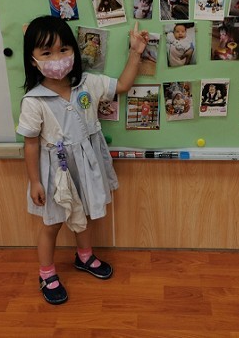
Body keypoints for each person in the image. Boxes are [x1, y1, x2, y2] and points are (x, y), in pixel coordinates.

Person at [17, 15, 149, 305]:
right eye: (47, 53)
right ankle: (46, 273)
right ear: (33, 60)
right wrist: (35, 182)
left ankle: (84, 257)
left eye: (63, 49)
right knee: (52, 223)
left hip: (86, 166)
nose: (57, 59)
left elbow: (122, 85)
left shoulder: (88, 83)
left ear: (74, 51)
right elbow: (30, 144)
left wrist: (135, 52)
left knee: (86, 211)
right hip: (56, 173)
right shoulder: (34, 101)